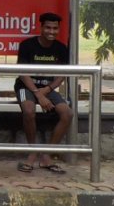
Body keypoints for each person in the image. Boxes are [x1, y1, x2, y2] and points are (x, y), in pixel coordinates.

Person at [15, 12, 74, 173]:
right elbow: (22, 73)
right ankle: (32, 152)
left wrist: (47, 90)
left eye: (55, 28)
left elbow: (62, 75)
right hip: (26, 87)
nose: (51, 31)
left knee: (67, 113)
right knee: (29, 110)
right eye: (48, 27)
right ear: (41, 27)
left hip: (47, 88)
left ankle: (47, 154)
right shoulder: (27, 45)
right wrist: (38, 94)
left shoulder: (61, 48)